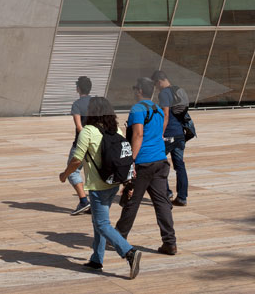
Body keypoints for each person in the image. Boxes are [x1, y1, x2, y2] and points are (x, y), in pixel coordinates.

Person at [60, 96, 142, 278]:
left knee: (101, 223)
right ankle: (97, 260)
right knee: (99, 221)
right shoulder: (116, 130)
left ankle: (129, 252)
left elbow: (76, 159)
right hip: (113, 183)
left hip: (97, 186)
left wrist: (65, 175)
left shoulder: (87, 131)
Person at [115, 77, 177, 255]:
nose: (134, 91)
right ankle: (170, 242)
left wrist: (130, 161)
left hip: (143, 162)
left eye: (135, 88)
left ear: (139, 91)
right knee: (162, 203)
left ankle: (119, 237)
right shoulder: (157, 109)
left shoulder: (137, 109)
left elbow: (138, 135)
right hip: (160, 161)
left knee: (132, 201)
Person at [152, 70, 190, 206]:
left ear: (159, 81)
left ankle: (166, 193)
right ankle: (182, 197)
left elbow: (165, 114)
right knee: (179, 165)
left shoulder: (164, 93)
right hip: (180, 134)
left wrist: (160, 133)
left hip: (169, 134)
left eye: (156, 85)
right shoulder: (178, 90)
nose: (156, 88)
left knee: (160, 163)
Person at [66, 76, 93, 215]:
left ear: (78, 88)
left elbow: (79, 127)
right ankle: (93, 204)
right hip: (96, 144)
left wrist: (85, 141)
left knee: (72, 171)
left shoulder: (77, 104)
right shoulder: (96, 103)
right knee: (92, 172)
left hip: (81, 144)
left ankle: (83, 201)